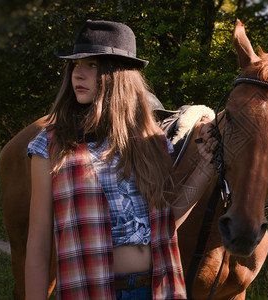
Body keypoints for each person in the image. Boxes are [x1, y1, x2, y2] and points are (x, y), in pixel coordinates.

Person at [25, 20, 216, 300]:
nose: (78, 73)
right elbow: (39, 243)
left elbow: (166, 221)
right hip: (89, 292)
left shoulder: (152, 142)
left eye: (92, 65)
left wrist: (204, 166)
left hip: (155, 290)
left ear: (119, 74)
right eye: (76, 65)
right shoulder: (50, 145)